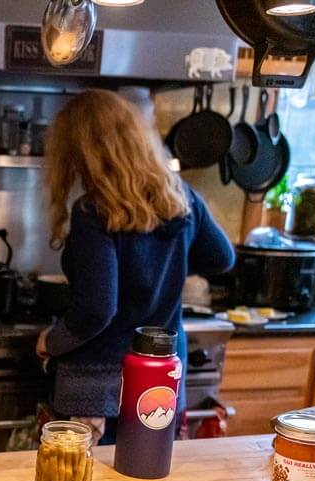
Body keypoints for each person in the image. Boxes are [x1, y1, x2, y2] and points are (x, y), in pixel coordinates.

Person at [36, 89, 235, 445]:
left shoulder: (94, 213)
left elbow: (97, 310)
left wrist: (51, 342)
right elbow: (222, 259)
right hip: (160, 380)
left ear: (82, 153)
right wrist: (165, 265)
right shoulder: (182, 198)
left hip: (98, 389)